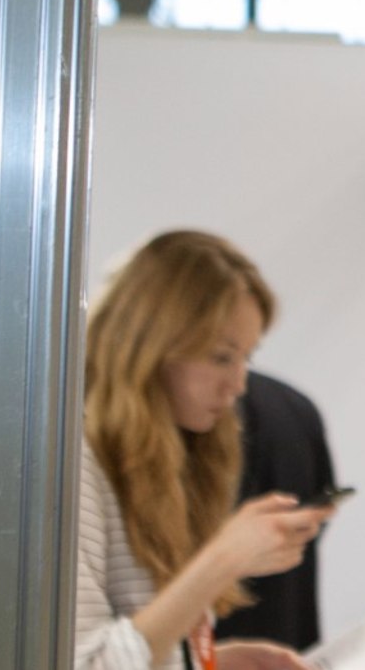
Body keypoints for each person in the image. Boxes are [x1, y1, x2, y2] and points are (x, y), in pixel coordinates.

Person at [76, 230, 334, 670]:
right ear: (151, 347)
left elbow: (139, 643)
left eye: (246, 358)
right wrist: (222, 560)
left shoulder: (167, 455)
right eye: (221, 357)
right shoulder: (77, 465)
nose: (239, 385)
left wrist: (207, 662)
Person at [214, 370, 340, 650]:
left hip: (216, 632)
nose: (236, 384)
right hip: (285, 627)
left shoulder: (205, 412)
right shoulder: (294, 403)